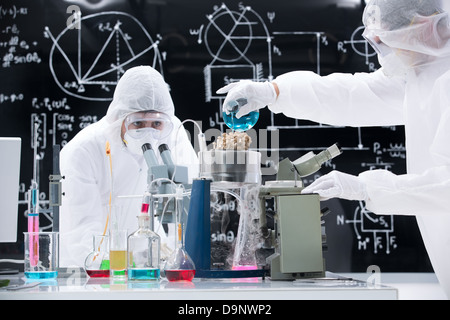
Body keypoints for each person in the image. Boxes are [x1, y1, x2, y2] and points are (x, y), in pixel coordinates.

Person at [217, 0, 450, 298]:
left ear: (425, 24)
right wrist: (274, 92)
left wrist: (366, 187)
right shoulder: (423, 68)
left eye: (388, 37)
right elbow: (355, 95)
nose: (381, 49)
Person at [60, 66, 199, 267]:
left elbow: (189, 197)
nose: (149, 133)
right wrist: (113, 265)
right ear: (119, 119)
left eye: (156, 124)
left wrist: (174, 256)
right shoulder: (84, 151)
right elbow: (81, 229)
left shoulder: (172, 135)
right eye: (138, 124)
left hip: (149, 264)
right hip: (88, 271)